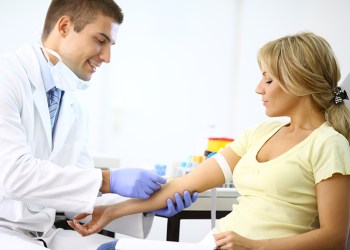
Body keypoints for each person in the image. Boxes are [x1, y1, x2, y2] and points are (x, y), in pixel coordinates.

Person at [70, 32, 350, 250]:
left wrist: (254, 246)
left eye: (268, 80)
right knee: (109, 247)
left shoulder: (329, 144)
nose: (258, 88)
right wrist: (112, 211)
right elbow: (183, 184)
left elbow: (333, 239)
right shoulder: (261, 133)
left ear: (298, 81)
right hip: (214, 244)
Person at [0, 0, 198, 249]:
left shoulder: (72, 105)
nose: (107, 57)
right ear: (64, 27)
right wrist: (107, 179)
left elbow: (76, 198)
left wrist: (147, 207)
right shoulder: (6, 78)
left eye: (110, 45)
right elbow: (14, 176)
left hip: (44, 234)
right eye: (100, 40)